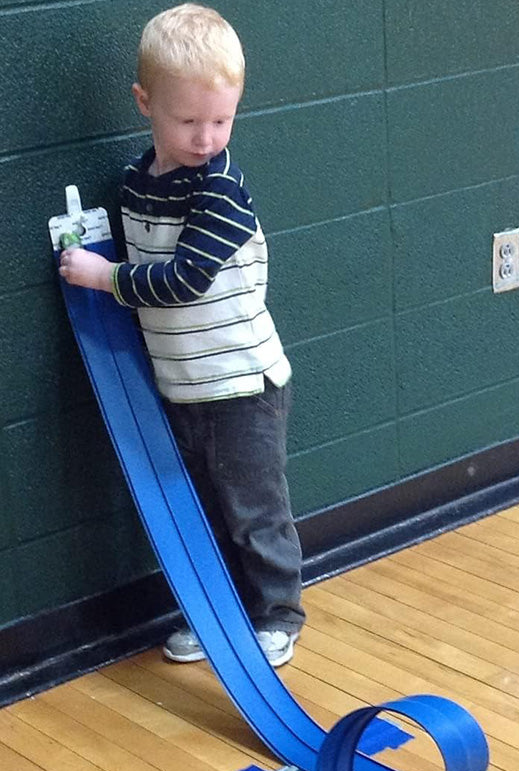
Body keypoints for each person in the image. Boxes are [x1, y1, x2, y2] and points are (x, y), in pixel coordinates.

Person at [58, 3, 305, 667]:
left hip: (241, 384)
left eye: (220, 120)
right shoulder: (138, 184)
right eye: (188, 120)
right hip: (181, 386)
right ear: (145, 103)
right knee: (202, 512)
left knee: (254, 511)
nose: (204, 138)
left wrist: (101, 276)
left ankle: (278, 613)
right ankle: (218, 612)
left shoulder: (219, 189)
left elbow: (183, 279)